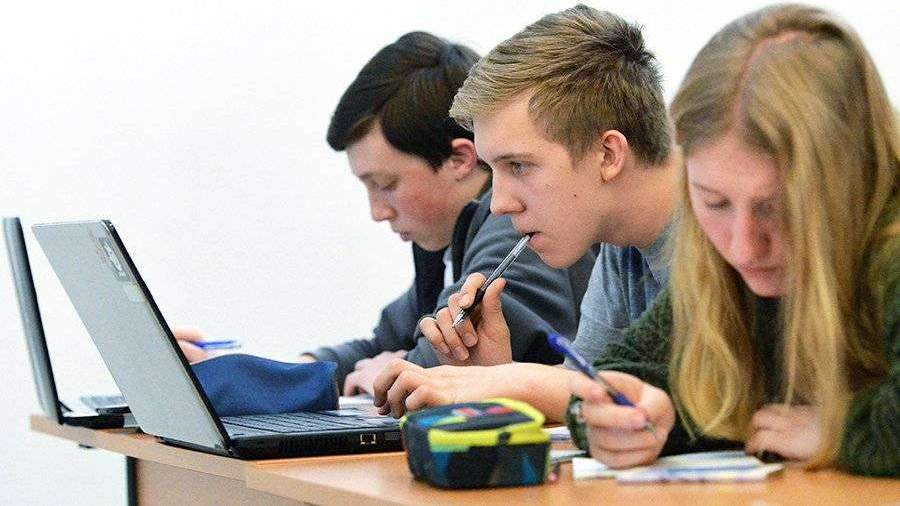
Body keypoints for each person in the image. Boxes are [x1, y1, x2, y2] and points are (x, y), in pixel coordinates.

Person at [566, 4, 898, 477]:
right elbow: (629, 370)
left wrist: (839, 431)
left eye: (776, 208)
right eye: (714, 202)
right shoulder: (716, 262)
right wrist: (626, 417)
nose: (744, 248)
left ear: (852, 179)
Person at [177, 31, 595, 395]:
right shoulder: (452, 241)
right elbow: (382, 345)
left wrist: (394, 369)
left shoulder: (517, 226)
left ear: (460, 159)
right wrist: (264, 370)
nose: (377, 212)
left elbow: (441, 359)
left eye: (386, 184)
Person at [373, 6, 678, 420]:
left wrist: (510, 383)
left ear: (607, 154)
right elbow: (598, 395)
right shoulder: (621, 248)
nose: (498, 204)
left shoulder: (723, 229)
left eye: (518, 166)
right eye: (493, 169)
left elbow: (708, 403)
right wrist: (494, 374)